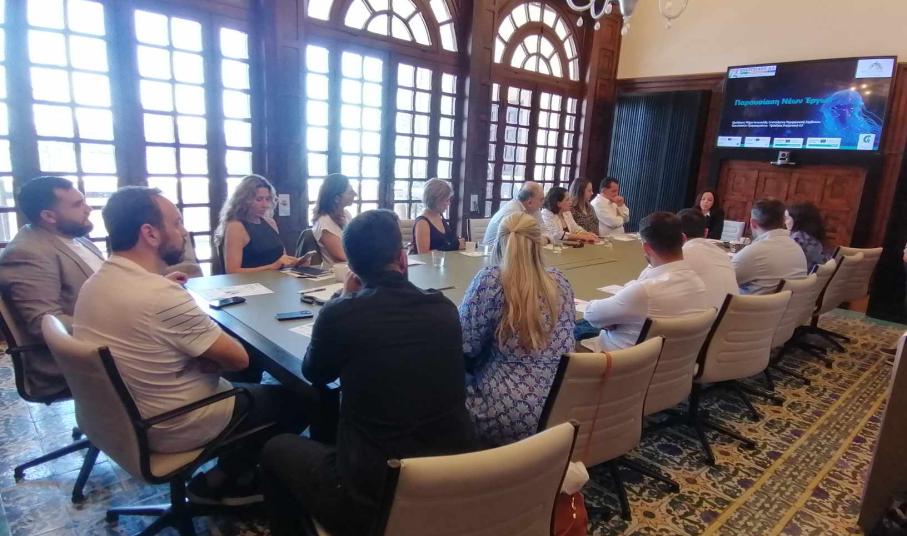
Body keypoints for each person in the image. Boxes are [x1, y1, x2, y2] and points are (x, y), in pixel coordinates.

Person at [74, 186, 308, 505]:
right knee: (301, 398)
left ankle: (231, 468)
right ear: (150, 233)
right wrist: (207, 358)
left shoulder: (98, 282)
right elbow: (238, 359)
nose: (184, 231)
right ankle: (226, 480)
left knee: (240, 376)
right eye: (177, 222)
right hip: (173, 422)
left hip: (120, 417)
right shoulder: (160, 296)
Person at [260, 209, 475, 536]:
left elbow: (314, 374)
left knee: (275, 450)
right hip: (453, 480)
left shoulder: (341, 314)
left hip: (375, 498)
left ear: (352, 268)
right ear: (402, 258)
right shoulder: (444, 310)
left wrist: (343, 299)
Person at [460, 212, 576, 447]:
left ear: (498, 242)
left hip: (503, 412)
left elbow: (465, 345)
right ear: (538, 244)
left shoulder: (491, 281)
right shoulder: (560, 281)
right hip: (558, 408)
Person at [0, 177, 103, 399]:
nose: (88, 209)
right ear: (48, 216)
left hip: (103, 341)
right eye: (78, 205)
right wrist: (119, 324)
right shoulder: (28, 252)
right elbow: (44, 323)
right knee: (172, 354)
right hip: (71, 362)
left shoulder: (77, 239)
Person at [583, 212, 710, 351]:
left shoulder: (644, 293)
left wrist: (611, 320)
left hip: (616, 360)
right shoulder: (699, 284)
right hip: (674, 360)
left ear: (646, 247)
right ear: (684, 239)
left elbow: (590, 314)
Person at [215, 175, 301, 274]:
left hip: (277, 279)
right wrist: (271, 267)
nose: (265, 205)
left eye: (267, 199)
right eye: (259, 199)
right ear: (244, 201)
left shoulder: (270, 222)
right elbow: (232, 271)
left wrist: (295, 262)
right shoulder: (235, 226)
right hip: (251, 282)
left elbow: (282, 258)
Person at [732, 198, 808, 294]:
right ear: (783, 221)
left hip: (751, 303)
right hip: (788, 303)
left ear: (753, 223)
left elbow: (721, 278)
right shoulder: (797, 248)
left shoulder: (754, 252)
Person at [677, 208, 738, 309]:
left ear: (680, 236)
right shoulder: (723, 254)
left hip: (703, 317)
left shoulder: (680, 256)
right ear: (706, 232)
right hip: (728, 316)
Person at [312, 173, 357, 267]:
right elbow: (342, 256)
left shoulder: (346, 214)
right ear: (336, 198)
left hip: (351, 268)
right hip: (336, 273)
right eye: (350, 192)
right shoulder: (323, 222)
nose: (355, 194)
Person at [482, 181, 546, 245]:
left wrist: (542, 239)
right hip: (494, 249)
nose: (543, 203)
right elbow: (517, 242)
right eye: (541, 200)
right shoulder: (512, 212)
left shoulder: (534, 209)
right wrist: (541, 240)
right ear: (529, 202)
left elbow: (545, 232)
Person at [412, 178, 463, 254]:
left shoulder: (439, 216)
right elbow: (424, 254)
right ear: (436, 200)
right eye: (446, 200)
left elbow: (448, 242)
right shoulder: (422, 223)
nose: (449, 203)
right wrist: (455, 245)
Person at [785, 202, 829, 272]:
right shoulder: (814, 239)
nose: (785, 222)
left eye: (787, 218)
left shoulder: (797, 239)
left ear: (797, 220)